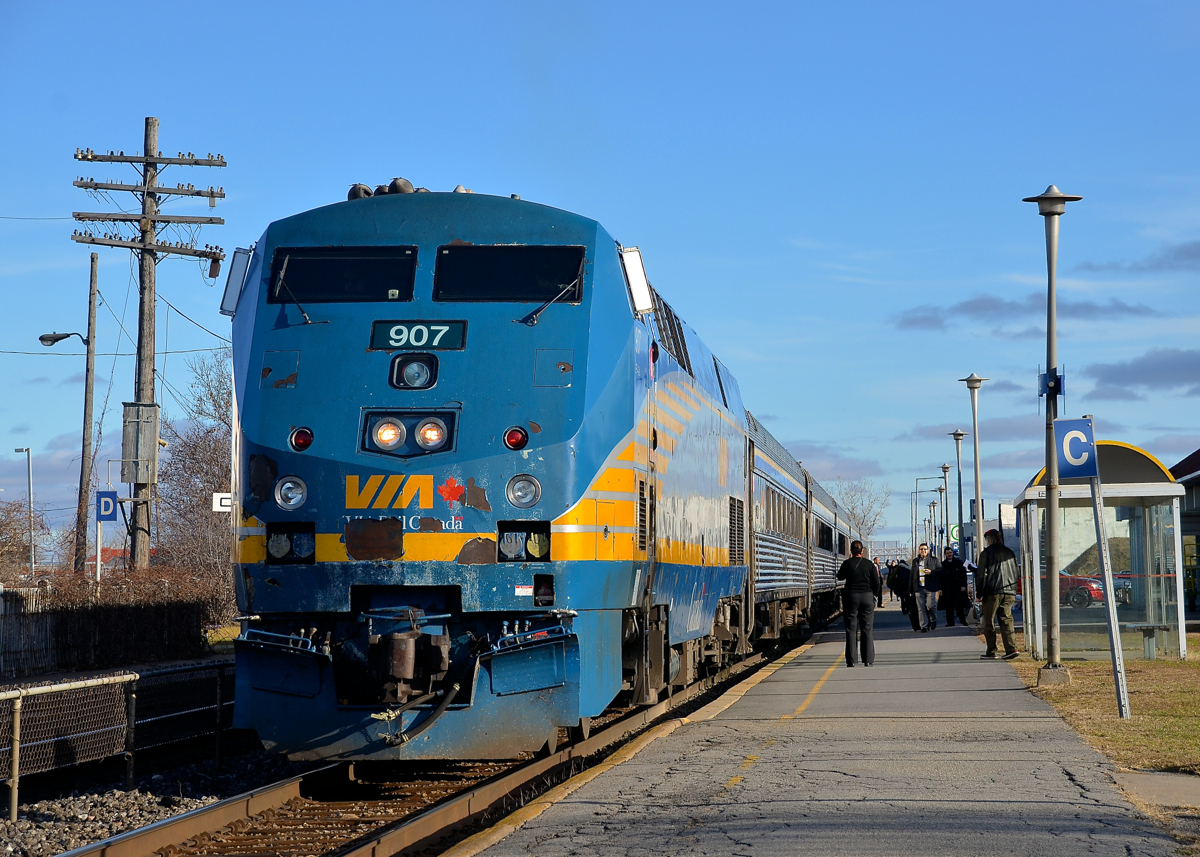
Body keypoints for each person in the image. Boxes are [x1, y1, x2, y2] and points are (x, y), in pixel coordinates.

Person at [976, 528, 1020, 660]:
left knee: (989, 621)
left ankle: (991, 651)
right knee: (1006, 619)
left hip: (992, 592)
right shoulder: (1010, 552)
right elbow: (1016, 572)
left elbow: (981, 575)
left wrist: (979, 593)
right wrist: (1013, 589)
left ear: (988, 540)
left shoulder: (986, 553)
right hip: (1009, 591)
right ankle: (1011, 649)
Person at [837, 539, 881, 667]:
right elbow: (876, 582)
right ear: (862, 551)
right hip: (867, 597)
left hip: (851, 598)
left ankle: (851, 660)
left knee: (851, 629)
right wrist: (874, 595)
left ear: (851, 551)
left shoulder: (847, 563)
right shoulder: (869, 564)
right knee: (867, 628)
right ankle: (868, 660)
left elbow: (839, 576)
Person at [908, 543, 942, 632]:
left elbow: (941, 571)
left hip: (930, 587)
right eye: (921, 549)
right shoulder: (915, 561)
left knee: (931, 605)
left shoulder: (934, 560)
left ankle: (933, 619)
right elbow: (912, 575)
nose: (923, 551)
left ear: (928, 550)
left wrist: (932, 572)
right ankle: (924, 626)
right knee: (921, 608)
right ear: (919, 551)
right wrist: (910, 589)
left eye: (925, 549)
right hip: (919, 588)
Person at [940, 547, 970, 626]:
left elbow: (964, 575)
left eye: (950, 552)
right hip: (947, 588)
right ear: (945, 554)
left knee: (959, 605)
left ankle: (963, 621)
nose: (949, 554)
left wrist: (963, 585)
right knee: (948, 606)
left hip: (957, 587)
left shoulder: (958, 562)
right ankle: (950, 623)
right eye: (947, 553)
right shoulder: (943, 564)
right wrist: (940, 589)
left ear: (952, 553)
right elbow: (940, 578)